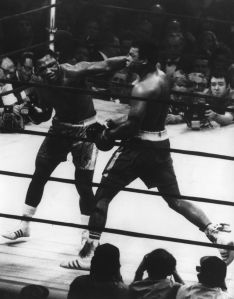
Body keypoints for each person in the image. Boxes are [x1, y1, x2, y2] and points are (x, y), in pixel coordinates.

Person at [60, 40, 234, 270]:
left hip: (138, 148)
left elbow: (133, 125)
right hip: (160, 143)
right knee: (175, 199)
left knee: (101, 198)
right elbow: (145, 115)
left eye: (132, 56)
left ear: (144, 60)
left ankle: (87, 256)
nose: (127, 59)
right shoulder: (163, 77)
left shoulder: (142, 87)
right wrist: (118, 121)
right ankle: (219, 238)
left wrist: (106, 136)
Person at [2, 49, 127, 244]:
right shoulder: (39, 83)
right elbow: (43, 115)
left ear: (58, 61)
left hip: (85, 129)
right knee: (39, 175)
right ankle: (24, 226)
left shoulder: (73, 72)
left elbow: (105, 65)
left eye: (52, 64)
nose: (49, 70)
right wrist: (29, 110)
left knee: (83, 185)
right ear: (37, 70)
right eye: (43, 67)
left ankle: (87, 236)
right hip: (59, 129)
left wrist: (129, 60)